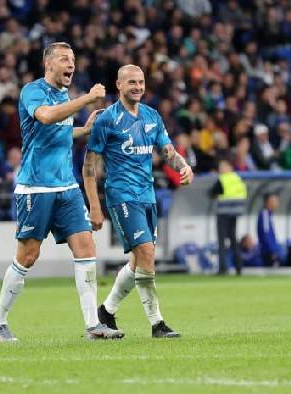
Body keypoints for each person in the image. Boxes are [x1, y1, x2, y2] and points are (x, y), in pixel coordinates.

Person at [0, 42, 122, 342]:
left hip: (66, 186)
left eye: (73, 59)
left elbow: (60, 130)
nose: (71, 64)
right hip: (35, 187)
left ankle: (93, 326)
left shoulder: (64, 95)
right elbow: (48, 117)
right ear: (48, 64)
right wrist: (87, 99)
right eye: (64, 59)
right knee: (28, 256)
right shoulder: (32, 91)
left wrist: (84, 130)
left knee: (86, 248)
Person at [85, 64, 193, 338]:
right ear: (119, 85)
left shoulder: (152, 116)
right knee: (146, 253)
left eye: (141, 82)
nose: (138, 87)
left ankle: (106, 312)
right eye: (132, 82)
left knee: (138, 261)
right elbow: (89, 165)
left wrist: (183, 165)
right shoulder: (107, 120)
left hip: (147, 196)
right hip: (121, 196)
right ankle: (157, 324)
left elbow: (167, 150)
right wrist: (94, 205)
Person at [210, 159, 247, 275]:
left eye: (222, 166)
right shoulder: (238, 178)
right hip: (235, 213)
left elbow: (211, 192)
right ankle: (239, 267)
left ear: (229, 167)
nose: (220, 169)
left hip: (223, 213)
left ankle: (223, 268)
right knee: (233, 240)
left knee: (221, 241)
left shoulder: (223, 179)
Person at [257, 193, 280, 267]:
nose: (277, 203)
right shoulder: (265, 215)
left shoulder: (269, 215)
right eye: (274, 201)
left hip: (270, 250)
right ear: (268, 202)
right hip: (268, 251)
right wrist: (272, 251)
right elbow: (266, 235)